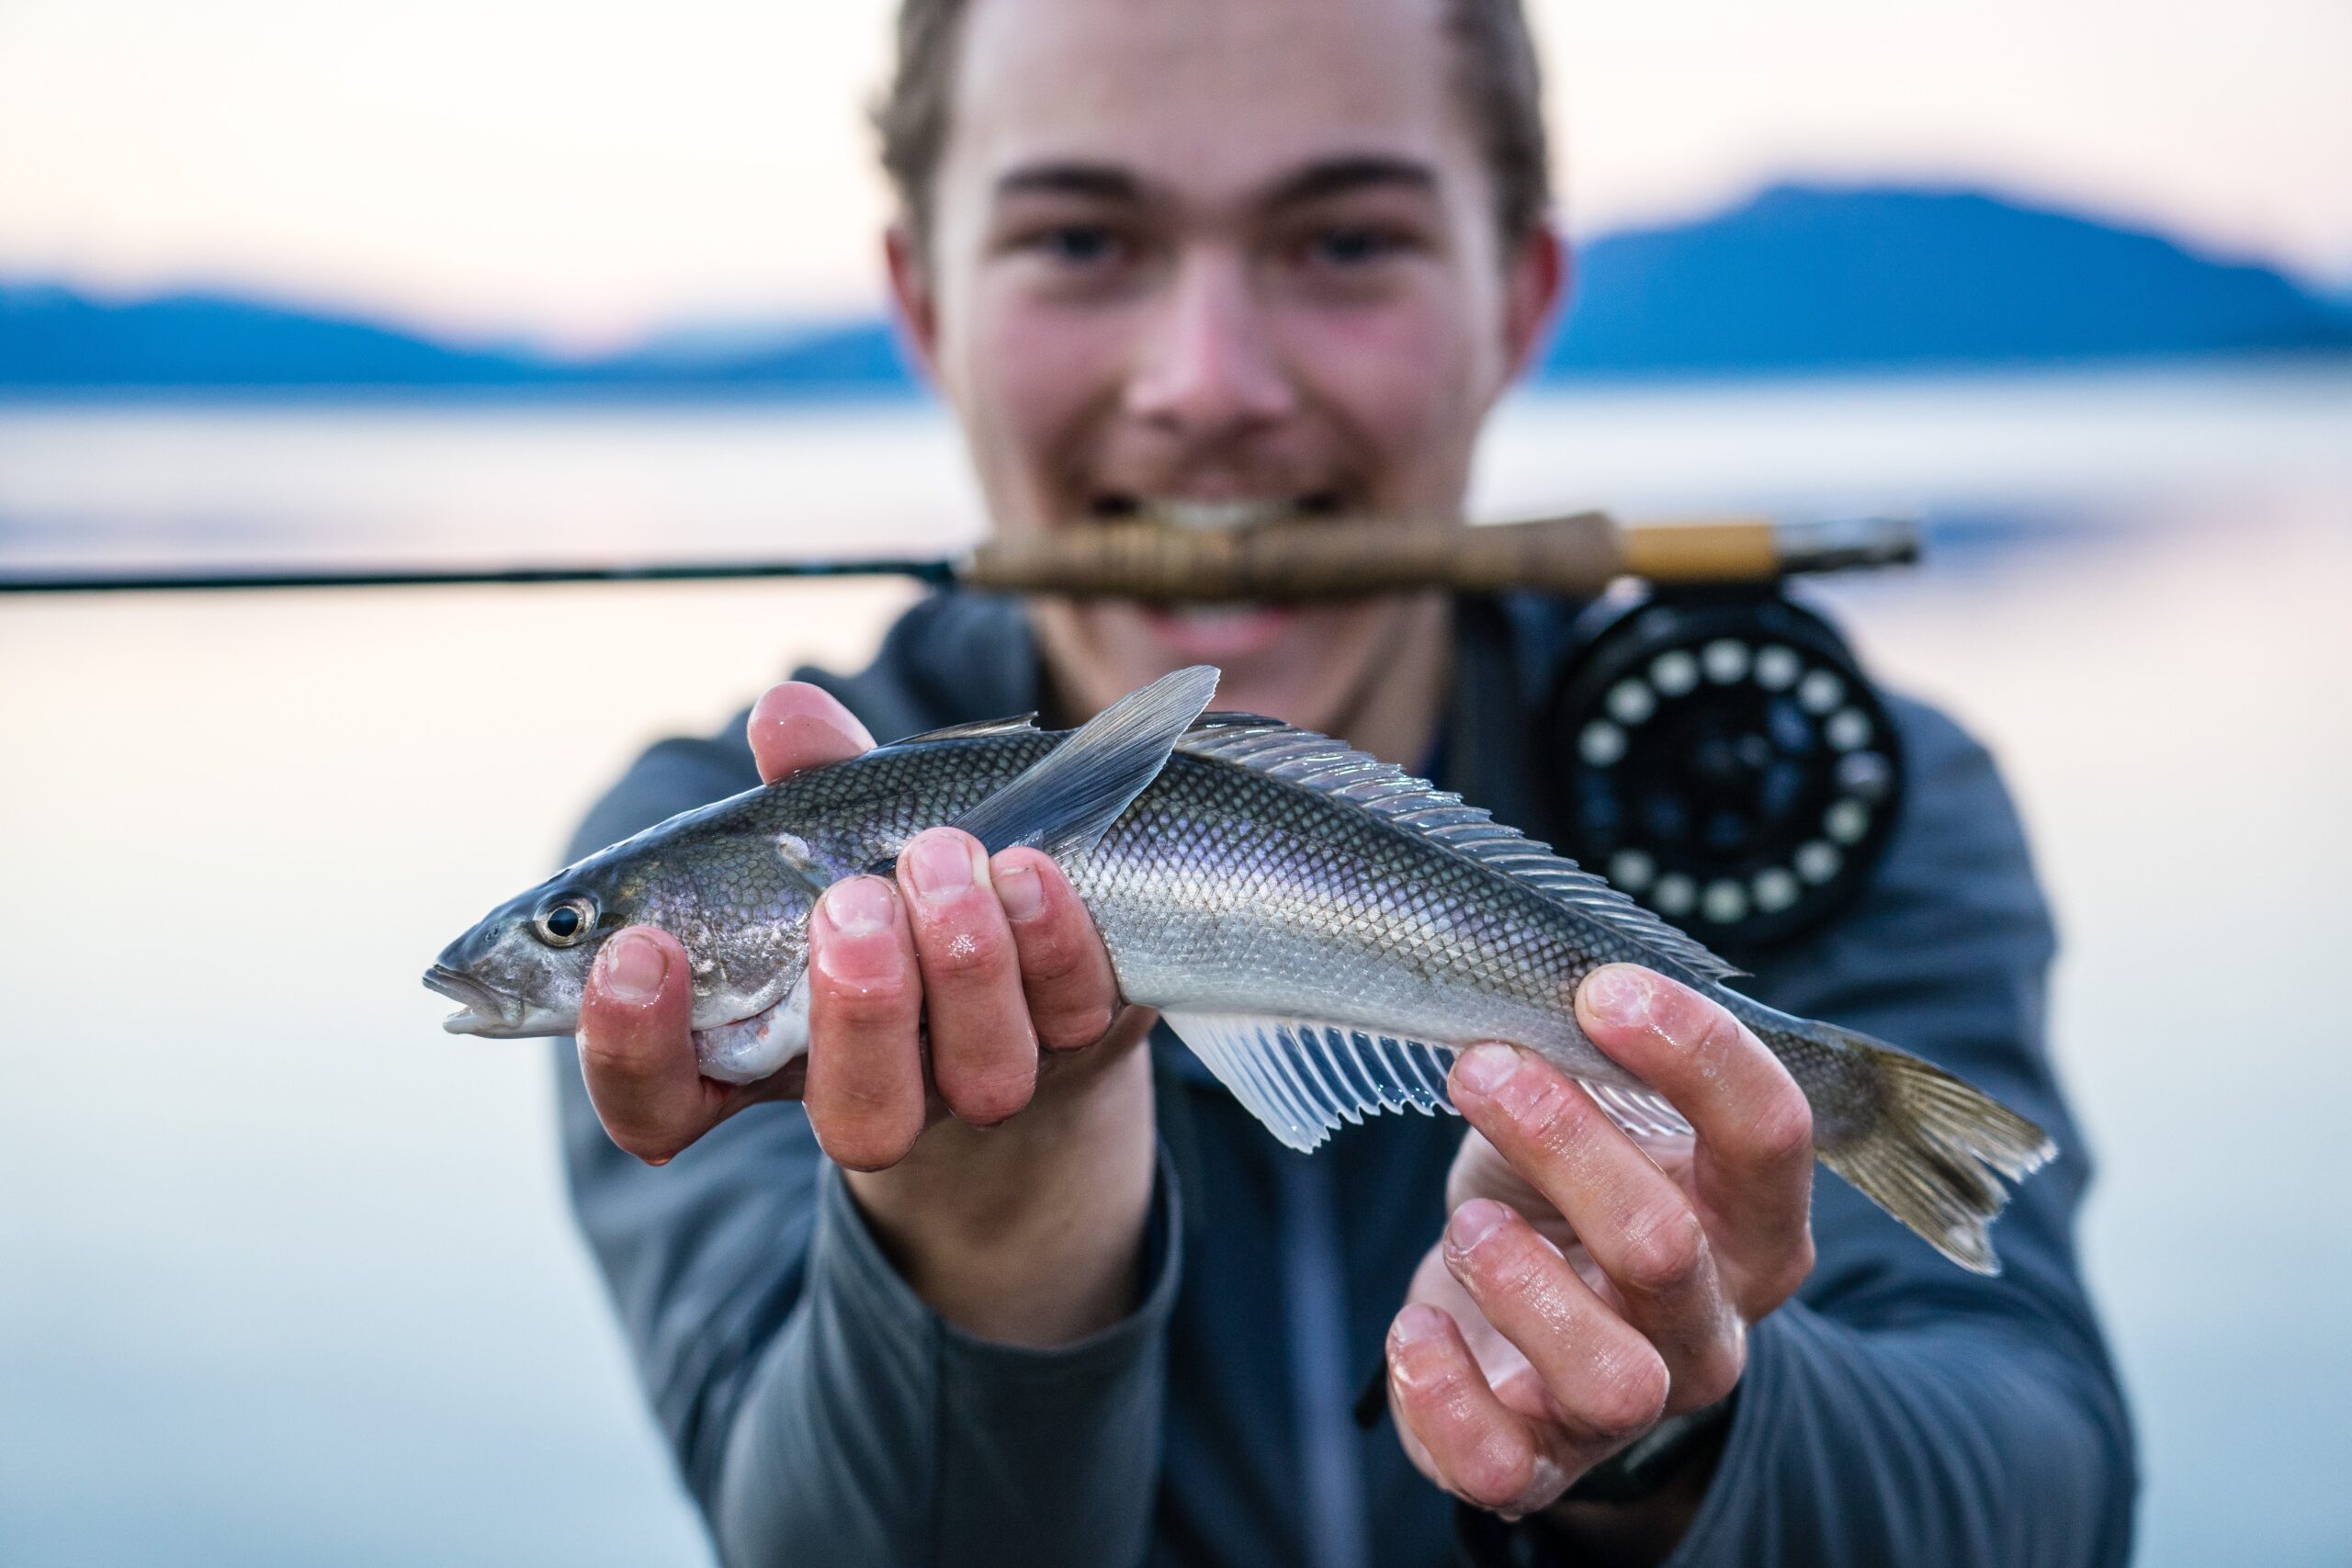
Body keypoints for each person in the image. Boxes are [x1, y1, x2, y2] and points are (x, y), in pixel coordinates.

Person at [554, 0, 2136, 1562]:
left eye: (1347, 241)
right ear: (924, 301)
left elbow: (2043, 1490)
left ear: (1517, 300)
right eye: (1082, 242)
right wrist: (977, 1239)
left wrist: (1681, 1422)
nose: (1211, 383)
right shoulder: (692, 876)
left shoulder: (1807, 783)